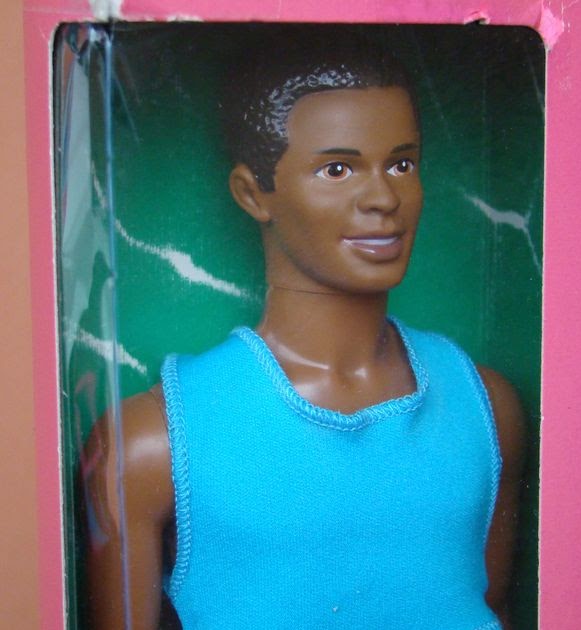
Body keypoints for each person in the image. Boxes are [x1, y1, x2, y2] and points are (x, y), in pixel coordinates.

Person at [84, 28, 525, 630]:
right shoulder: (153, 442)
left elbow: (489, 605)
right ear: (252, 193)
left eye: (402, 163)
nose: (383, 197)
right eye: (337, 169)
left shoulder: (485, 410)